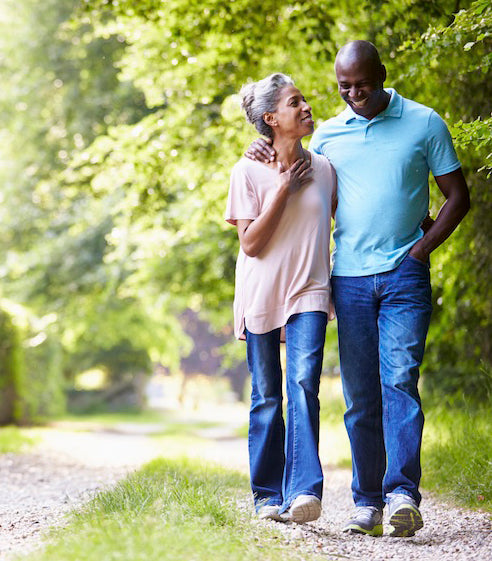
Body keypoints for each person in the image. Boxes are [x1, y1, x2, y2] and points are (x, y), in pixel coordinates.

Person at [245, 41, 470, 537]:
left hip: (404, 274)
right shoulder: (327, 136)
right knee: (360, 394)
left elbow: (458, 197)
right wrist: (259, 143)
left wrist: (422, 249)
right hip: (346, 277)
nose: (354, 95)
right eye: (344, 87)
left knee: (401, 380)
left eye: (362, 85)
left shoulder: (425, 122)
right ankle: (366, 502)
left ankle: (401, 494)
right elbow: (294, 173)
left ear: (383, 75)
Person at [226, 73, 337, 524]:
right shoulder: (246, 171)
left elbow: (349, 220)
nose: (307, 106)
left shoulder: (326, 169)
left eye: (304, 99)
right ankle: (267, 495)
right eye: (296, 102)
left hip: (310, 289)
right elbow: (251, 244)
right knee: (268, 394)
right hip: (262, 295)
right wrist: (282, 188)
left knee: (304, 382)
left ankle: (304, 491)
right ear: (272, 118)